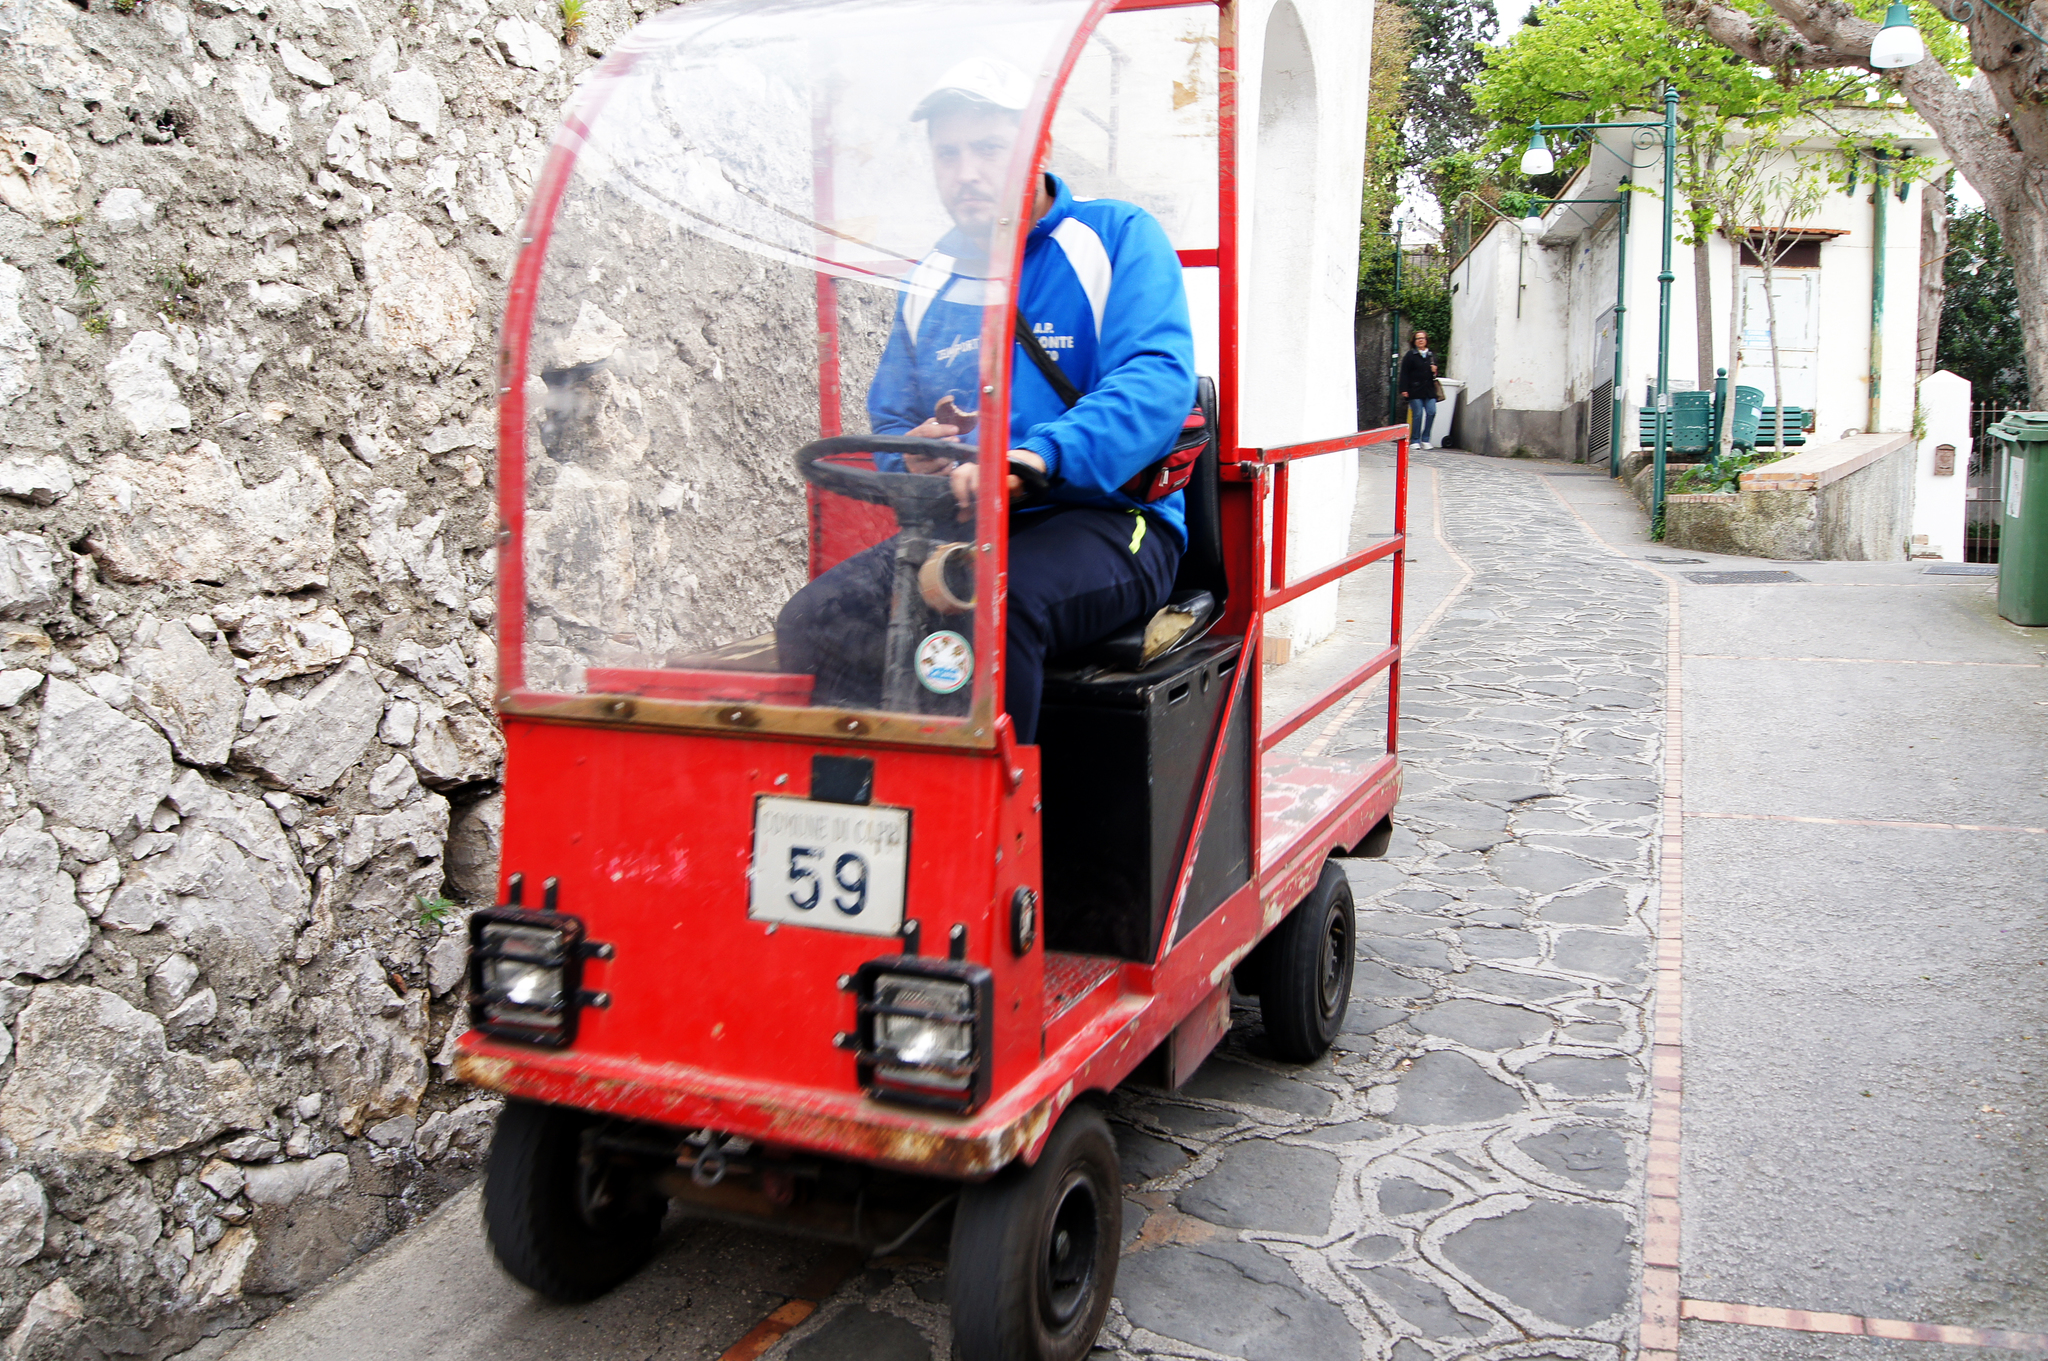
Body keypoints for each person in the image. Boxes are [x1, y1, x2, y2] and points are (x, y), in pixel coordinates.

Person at [776, 57, 1196, 744]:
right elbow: (892, 419)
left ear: (1039, 148)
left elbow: (1155, 379)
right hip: (965, 525)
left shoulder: (1115, 238)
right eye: (948, 154)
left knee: (995, 606)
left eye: (989, 149)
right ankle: (862, 806)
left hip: (1107, 519)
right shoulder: (931, 279)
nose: (966, 171)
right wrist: (915, 461)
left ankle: (992, 836)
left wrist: (1033, 456)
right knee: (814, 618)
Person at [1399, 330, 1440, 449]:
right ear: (1414, 341)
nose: (1420, 340)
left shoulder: (1431, 355)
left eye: (1423, 338)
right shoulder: (1410, 355)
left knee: (1432, 412)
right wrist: (1404, 389)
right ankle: (1415, 440)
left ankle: (1426, 439)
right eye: (1418, 338)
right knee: (1417, 414)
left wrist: (1435, 370)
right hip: (1415, 390)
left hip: (1429, 390)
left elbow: (1436, 374)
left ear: (1426, 340)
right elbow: (1404, 373)